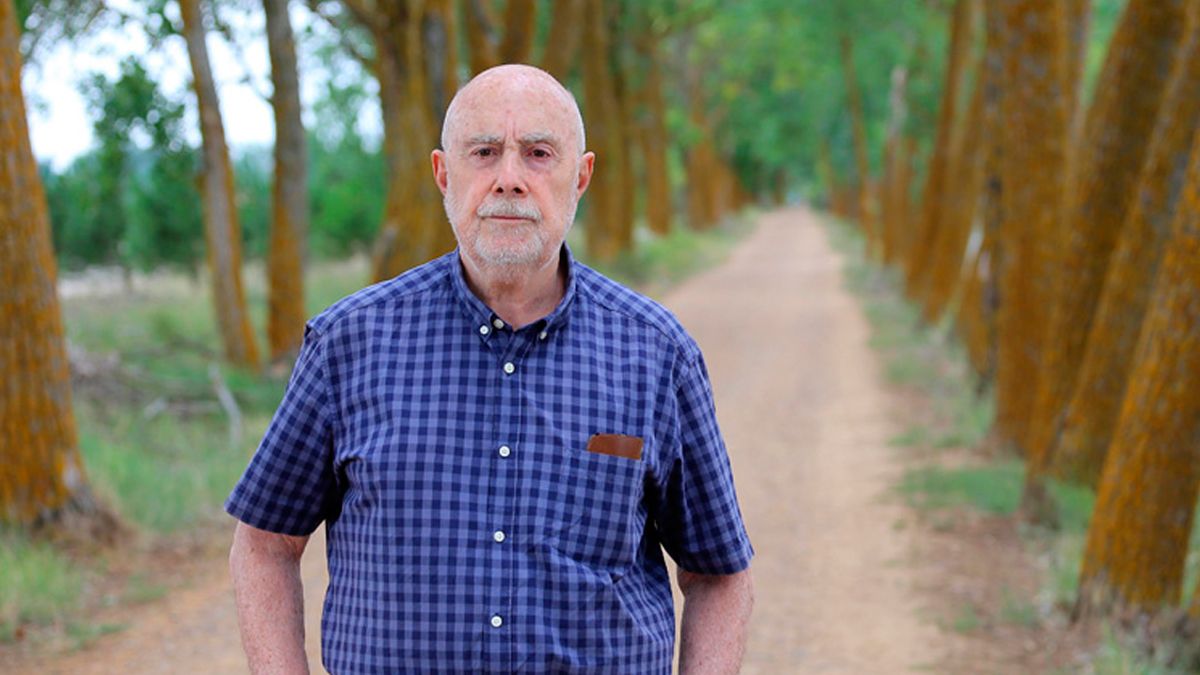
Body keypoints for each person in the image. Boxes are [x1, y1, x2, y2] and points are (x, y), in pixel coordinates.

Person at [226, 64, 754, 674]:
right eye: (484, 152)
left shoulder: (658, 355)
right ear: (443, 175)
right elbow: (265, 544)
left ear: (579, 177)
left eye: (537, 154)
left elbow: (718, 575)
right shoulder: (349, 344)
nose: (509, 179)